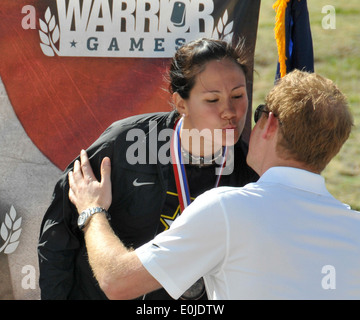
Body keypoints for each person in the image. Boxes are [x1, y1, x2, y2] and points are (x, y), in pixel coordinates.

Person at [68, 69, 360, 300]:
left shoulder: (228, 209)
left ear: (269, 124)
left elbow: (117, 281)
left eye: (258, 114)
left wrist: (92, 211)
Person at [37, 38, 259, 300]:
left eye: (238, 95)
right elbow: (58, 235)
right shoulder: (124, 144)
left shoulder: (248, 170)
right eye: (213, 99)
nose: (230, 112)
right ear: (181, 104)